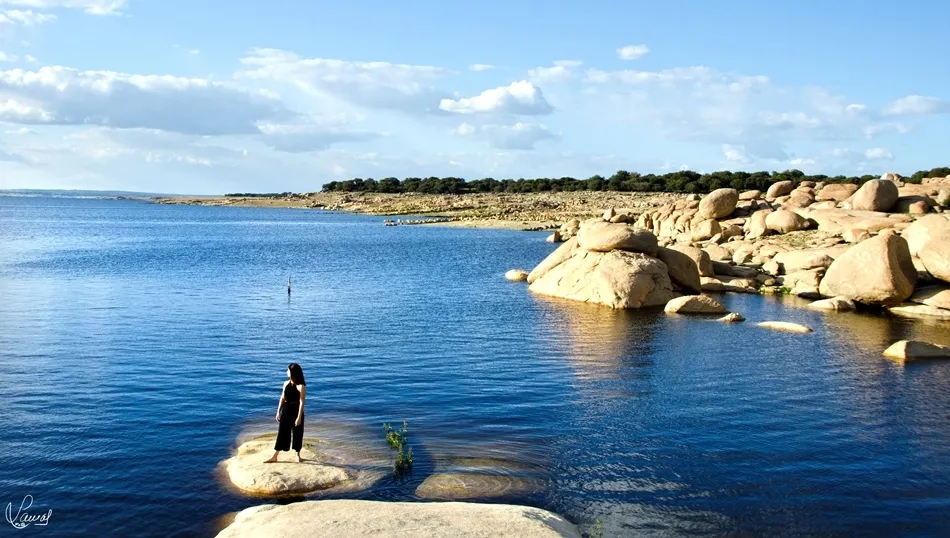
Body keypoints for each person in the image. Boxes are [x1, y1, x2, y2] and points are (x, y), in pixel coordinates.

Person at [264, 363, 307, 463]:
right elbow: (282, 398)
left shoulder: (301, 386)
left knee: (298, 433)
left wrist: (299, 417)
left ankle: (297, 455)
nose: (286, 372)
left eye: (288, 370)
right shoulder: (285, 383)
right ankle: (275, 456)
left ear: (293, 372)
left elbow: (302, 402)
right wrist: (278, 412)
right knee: (282, 432)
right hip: (286, 409)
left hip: (296, 409)